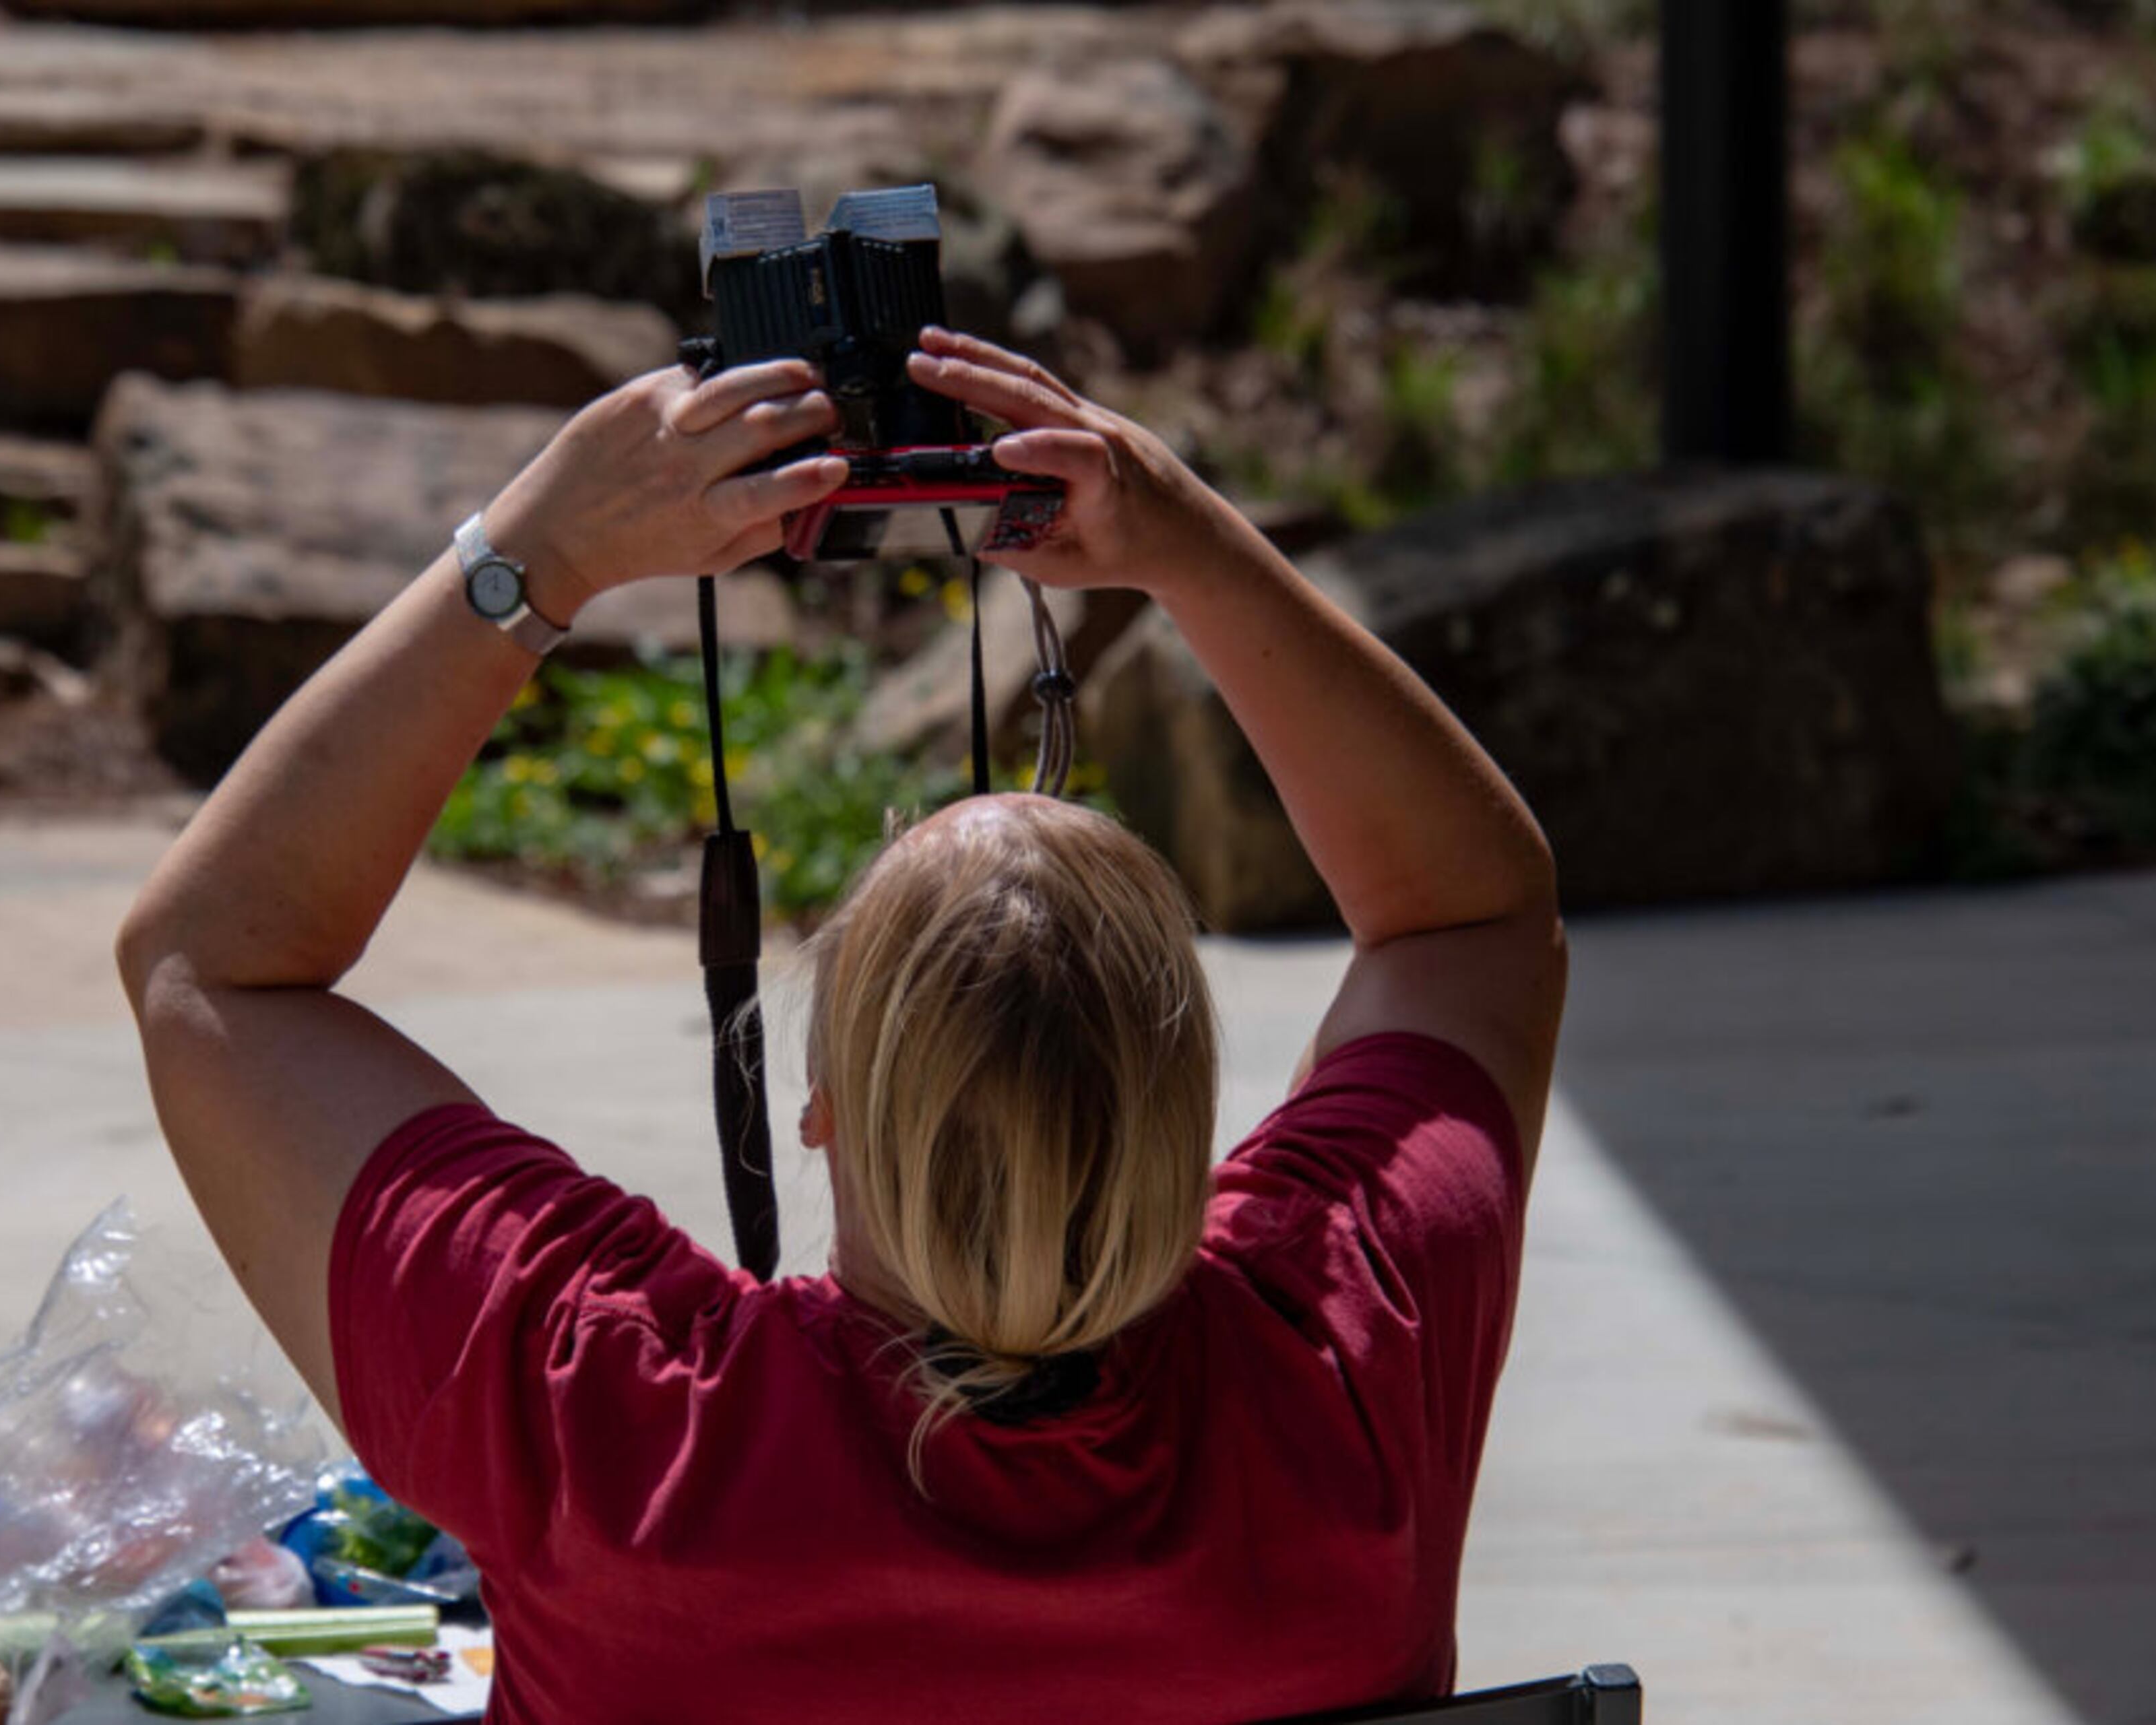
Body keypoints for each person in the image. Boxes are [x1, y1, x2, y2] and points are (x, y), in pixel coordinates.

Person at [116, 329, 1565, 1724]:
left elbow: (211, 966)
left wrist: (533, 556)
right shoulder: (1343, 1379)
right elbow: (1467, 920)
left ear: (816, 1100)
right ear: (1197, 1115)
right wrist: (1188, 544)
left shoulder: (615, 1430)